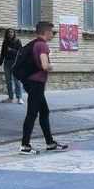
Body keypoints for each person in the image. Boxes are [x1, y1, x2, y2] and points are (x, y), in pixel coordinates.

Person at [19, 21, 69, 155]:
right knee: (32, 114)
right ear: (46, 32)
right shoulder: (42, 45)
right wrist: (52, 67)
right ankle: (25, 145)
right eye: (53, 32)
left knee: (44, 112)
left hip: (31, 82)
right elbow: (45, 65)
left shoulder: (34, 43)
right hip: (36, 83)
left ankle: (50, 143)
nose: (53, 35)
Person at [0, 28, 23, 104]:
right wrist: (0, 63)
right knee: (8, 81)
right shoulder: (5, 42)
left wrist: (11, 50)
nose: (10, 34)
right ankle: (10, 98)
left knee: (16, 80)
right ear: (6, 34)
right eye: (8, 32)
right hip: (7, 63)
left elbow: (20, 52)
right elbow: (2, 54)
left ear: (14, 33)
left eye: (11, 32)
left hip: (15, 63)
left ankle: (19, 98)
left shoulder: (17, 41)